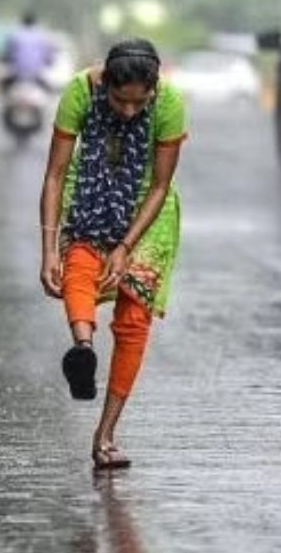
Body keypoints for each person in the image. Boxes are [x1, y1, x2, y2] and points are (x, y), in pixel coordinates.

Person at [38, 38, 187, 470]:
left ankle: (105, 435)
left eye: (139, 103)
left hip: (148, 211)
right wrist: (49, 249)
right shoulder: (79, 93)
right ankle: (82, 349)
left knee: (134, 317)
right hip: (88, 193)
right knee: (79, 267)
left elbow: (159, 185)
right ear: (105, 84)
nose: (128, 111)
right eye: (120, 101)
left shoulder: (171, 104)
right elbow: (55, 174)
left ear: (154, 90)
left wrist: (125, 247)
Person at [1, 11, 57, 92]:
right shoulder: (42, 36)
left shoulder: (14, 35)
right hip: (37, 74)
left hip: (17, 74)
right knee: (50, 91)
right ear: (35, 22)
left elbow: (7, 53)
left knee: (3, 88)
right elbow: (49, 56)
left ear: (22, 21)